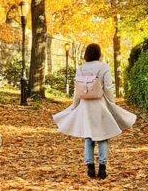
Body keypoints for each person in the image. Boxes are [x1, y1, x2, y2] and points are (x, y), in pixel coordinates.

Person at [52, 43, 136, 179]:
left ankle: (90, 167)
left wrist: (74, 105)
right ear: (99, 53)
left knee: (88, 136)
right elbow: (108, 88)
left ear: (86, 54)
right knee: (102, 136)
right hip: (100, 105)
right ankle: (102, 168)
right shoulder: (103, 67)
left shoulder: (81, 68)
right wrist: (111, 103)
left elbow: (77, 89)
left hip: (85, 106)